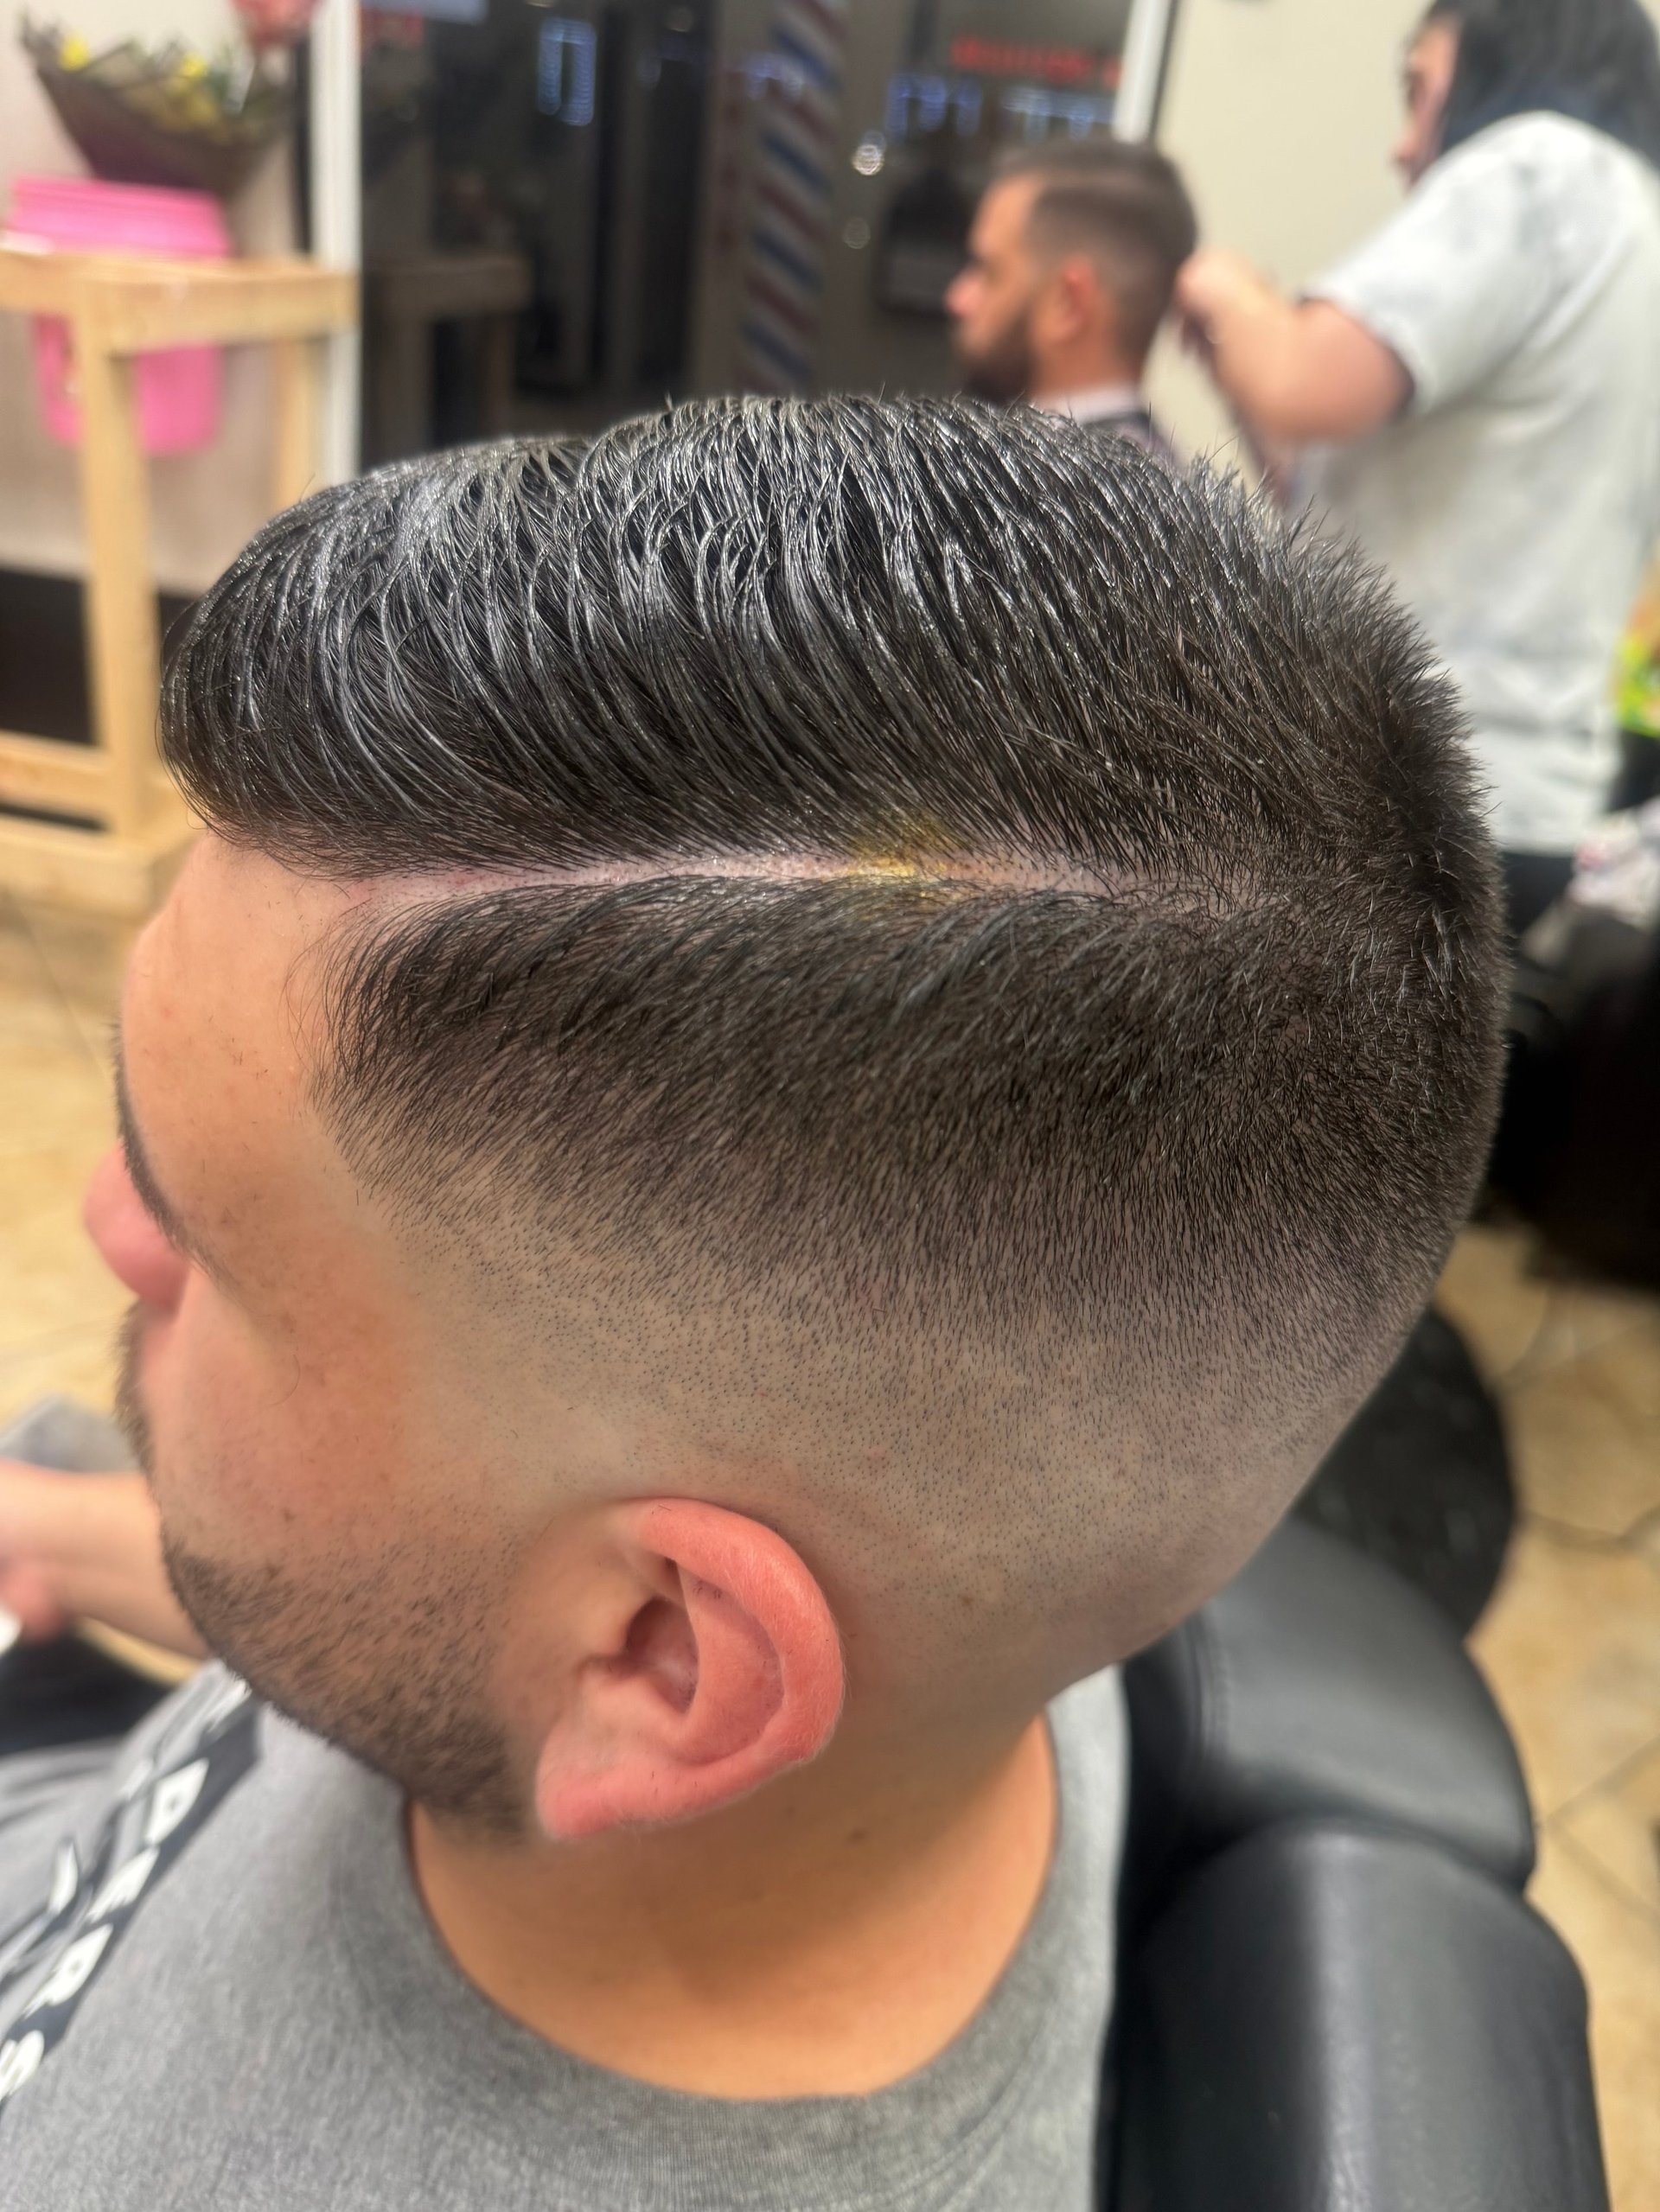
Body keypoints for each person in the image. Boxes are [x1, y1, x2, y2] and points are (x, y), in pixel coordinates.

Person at [0, 400, 1503, 2209]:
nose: (105, 1227)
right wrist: (47, 1535)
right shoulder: (965, 1560)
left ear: (661, 1651)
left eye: (198, 1224)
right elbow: (391, 1587)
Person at [1176, 0, 1660, 938]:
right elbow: (1342, 489)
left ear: (1506, 58)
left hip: (1407, 793)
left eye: (1419, 89)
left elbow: (1299, 379)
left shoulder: (1540, 168)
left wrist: (1225, 286)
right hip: (1515, 803)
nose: (1403, 147)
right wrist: (1249, 366)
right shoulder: (1634, 214)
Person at [947, 138, 1197, 456]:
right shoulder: (1146, 468)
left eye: (989, 272)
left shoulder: (1056, 482)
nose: (957, 298)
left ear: (1069, 304)